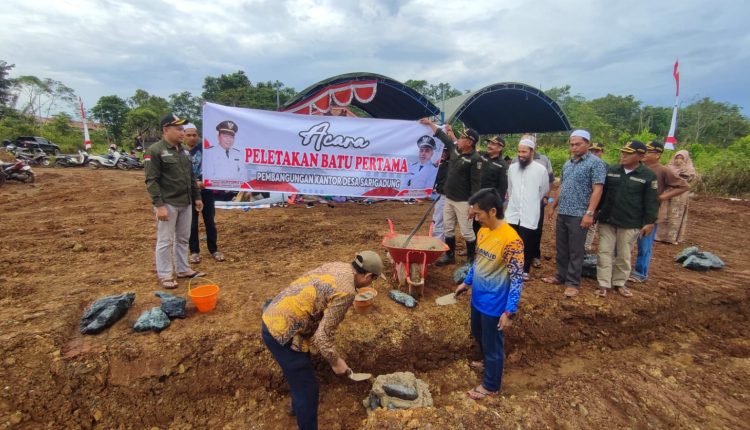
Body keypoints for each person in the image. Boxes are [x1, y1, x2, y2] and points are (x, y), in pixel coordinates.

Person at [261, 251, 384, 430]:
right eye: (373, 279)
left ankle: (296, 407)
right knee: (308, 389)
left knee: (300, 374)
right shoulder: (347, 292)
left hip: (275, 313)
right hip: (280, 332)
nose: (371, 283)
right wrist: (336, 362)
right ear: (367, 275)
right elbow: (322, 338)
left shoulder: (339, 266)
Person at [454, 188, 524, 401]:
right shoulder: (483, 231)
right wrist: (466, 282)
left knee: (494, 344)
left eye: (478, 214)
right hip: (478, 298)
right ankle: (487, 361)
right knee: (478, 332)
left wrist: (509, 311)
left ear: (492, 211)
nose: (475, 217)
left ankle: (491, 385)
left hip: (495, 304)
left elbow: (517, 278)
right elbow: (479, 261)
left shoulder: (512, 241)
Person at [543, 129, 607, 298]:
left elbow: (597, 189)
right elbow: (562, 186)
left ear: (587, 144)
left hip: (580, 213)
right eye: (571, 144)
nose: (574, 147)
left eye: (577, 144)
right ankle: (560, 275)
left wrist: (589, 213)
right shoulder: (568, 163)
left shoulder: (595, 163)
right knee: (562, 247)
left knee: (576, 249)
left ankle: (572, 283)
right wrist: (553, 205)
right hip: (563, 211)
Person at [144, 113, 205, 289]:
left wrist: (197, 197)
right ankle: (165, 275)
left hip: (185, 202)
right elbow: (151, 180)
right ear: (166, 130)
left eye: (182, 129)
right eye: (178, 129)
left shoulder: (184, 152)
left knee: (183, 238)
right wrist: (159, 205)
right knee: (165, 240)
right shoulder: (155, 151)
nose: (182, 132)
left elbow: (191, 177)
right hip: (168, 203)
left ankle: (183, 269)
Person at [595, 141, 659, 298]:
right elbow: (602, 194)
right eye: (622, 152)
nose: (623, 155)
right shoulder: (612, 170)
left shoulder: (648, 176)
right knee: (604, 252)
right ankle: (603, 284)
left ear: (640, 156)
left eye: (628, 153)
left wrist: (650, 222)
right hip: (607, 219)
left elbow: (651, 201)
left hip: (630, 221)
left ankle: (619, 283)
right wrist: (595, 212)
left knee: (624, 254)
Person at [419, 118, 482, 265]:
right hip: (449, 198)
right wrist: (429, 124)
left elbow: (476, 184)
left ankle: (471, 260)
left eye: (462, 138)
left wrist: (474, 205)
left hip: (464, 202)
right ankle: (449, 255)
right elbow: (442, 135)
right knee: (448, 228)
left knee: (467, 231)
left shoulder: (475, 159)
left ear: (469, 142)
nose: (458, 140)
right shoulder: (454, 149)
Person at [629, 141, 689, 283]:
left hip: (649, 215)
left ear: (657, 155)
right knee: (624, 244)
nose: (644, 154)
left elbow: (684, 186)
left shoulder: (662, 170)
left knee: (644, 246)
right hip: (631, 212)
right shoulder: (636, 167)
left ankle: (640, 272)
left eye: (648, 152)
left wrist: (663, 196)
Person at [505, 137, 550, 280]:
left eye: (524, 151)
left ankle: (524, 270)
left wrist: (531, 200)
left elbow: (544, 190)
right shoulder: (512, 168)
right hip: (513, 211)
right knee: (512, 240)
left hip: (530, 211)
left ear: (532, 151)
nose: (521, 154)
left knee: (527, 241)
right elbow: (510, 188)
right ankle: (510, 266)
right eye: (519, 151)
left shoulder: (541, 170)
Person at [184, 123, 225, 264]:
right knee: (192, 223)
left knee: (210, 222)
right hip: (188, 192)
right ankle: (194, 252)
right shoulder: (179, 151)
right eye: (188, 135)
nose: (192, 138)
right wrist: (193, 183)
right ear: (183, 135)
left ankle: (214, 249)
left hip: (206, 190)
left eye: (194, 135)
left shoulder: (206, 149)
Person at [656, 150, 696, 244]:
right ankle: (660, 236)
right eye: (677, 158)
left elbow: (687, 181)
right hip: (667, 193)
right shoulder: (668, 167)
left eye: (681, 158)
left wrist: (680, 171)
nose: (678, 160)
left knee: (675, 215)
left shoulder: (688, 169)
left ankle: (672, 238)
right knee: (664, 213)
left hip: (680, 196)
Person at [584, 141, 606, 253]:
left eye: (596, 151)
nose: (593, 153)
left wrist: (597, 208)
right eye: (591, 150)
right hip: (582, 202)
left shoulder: (605, 167)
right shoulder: (584, 164)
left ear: (602, 152)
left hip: (596, 205)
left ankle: (586, 248)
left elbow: (603, 190)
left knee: (591, 227)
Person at [431, 145, 450, 243]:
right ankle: (438, 241)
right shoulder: (440, 164)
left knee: (445, 221)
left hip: (451, 196)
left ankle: (442, 242)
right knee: (439, 220)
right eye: (442, 151)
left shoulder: (452, 164)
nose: (444, 153)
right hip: (441, 195)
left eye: (446, 151)